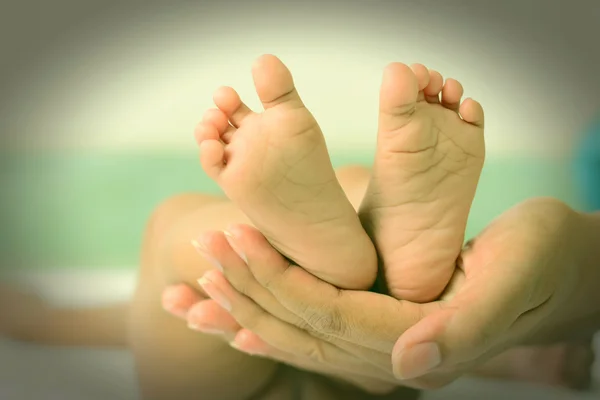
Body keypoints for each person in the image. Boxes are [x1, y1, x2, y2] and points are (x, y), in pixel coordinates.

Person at [0, 55, 594, 398]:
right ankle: (369, 250)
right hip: (381, 370)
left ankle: (313, 245)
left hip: (262, 369)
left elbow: (115, 322)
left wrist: (40, 320)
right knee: (360, 221)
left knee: (179, 244)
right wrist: (517, 356)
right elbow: (455, 338)